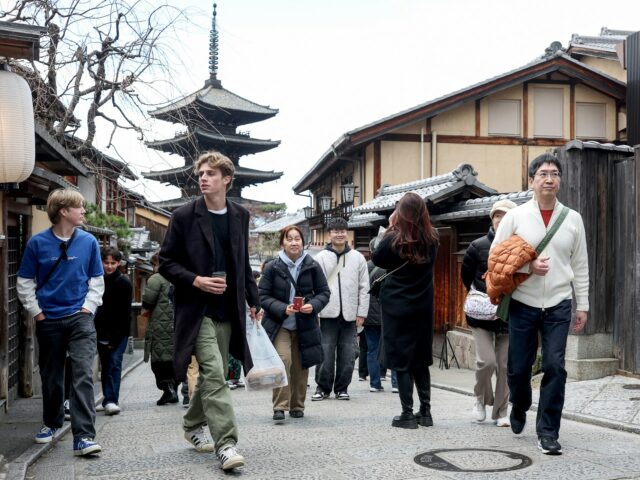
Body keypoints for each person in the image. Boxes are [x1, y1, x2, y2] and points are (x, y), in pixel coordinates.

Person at [159, 151, 262, 471]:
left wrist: (253, 300)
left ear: (227, 179)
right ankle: (227, 444)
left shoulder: (239, 215)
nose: (203, 178)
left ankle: (191, 425)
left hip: (228, 308)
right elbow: (165, 262)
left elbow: (242, 262)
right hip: (196, 309)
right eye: (201, 173)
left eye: (211, 173)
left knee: (211, 376)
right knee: (215, 374)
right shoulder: (184, 215)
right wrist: (196, 281)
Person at [491, 153, 589, 455]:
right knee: (519, 369)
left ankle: (548, 431)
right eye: (543, 173)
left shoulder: (572, 219)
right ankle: (519, 404)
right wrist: (527, 269)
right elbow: (495, 258)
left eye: (555, 173)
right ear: (531, 180)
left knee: (555, 367)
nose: (550, 178)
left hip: (559, 303)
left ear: (560, 181)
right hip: (523, 303)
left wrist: (582, 304)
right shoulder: (515, 217)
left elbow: (580, 264)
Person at [17, 188, 104, 456]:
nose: (84, 212)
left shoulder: (89, 242)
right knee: (51, 376)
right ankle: (51, 423)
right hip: (49, 319)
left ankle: (84, 437)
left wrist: (87, 309)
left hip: (80, 319)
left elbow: (96, 280)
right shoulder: (37, 243)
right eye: (79, 207)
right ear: (64, 211)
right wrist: (37, 313)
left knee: (82, 375)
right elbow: (24, 281)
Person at [372, 192, 439, 429]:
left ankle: (407, 414)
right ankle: (426, 413)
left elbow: (377, 258)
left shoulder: (393, 239)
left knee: (401, 360)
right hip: (422, 306)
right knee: (420, 359)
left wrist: (390, 228)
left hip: (397, 307)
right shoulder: (433, 239)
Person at [259, 225, 330, 422]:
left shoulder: (312, 265)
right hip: (280, 323)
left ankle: (297, 405)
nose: (293, 242)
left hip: (304, 324)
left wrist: (313, 306)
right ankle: (279, 406)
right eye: (289, 239)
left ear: (302, 242)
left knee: (301, 364)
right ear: (283, 242)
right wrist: (282, 307)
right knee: (283, 361)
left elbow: (324, 293)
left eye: (297, 238)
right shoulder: (273, 266)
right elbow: (262, 295)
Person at [461, 199, 517, 427]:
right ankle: (480, 399)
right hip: (481, 314)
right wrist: (484, 296)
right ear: (492, 219)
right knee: (487, 362)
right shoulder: (477, 246)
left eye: (505, 215)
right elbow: (466, 277)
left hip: (508, 313)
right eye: (497, 215)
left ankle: (501, 412)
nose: (500, 219)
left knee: (505, 366)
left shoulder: (520, 246)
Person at [312, 217, 369, 401]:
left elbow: (364, 287)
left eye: (343, 230)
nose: (339, 234)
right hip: (327, 313)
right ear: (329, 234)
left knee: (348, 354)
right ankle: (322, 387)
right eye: (335, 231)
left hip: (350, 314)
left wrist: (362, 312)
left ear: (347, 233)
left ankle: (342, 388)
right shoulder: (320, 258)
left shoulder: (358, 258)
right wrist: (316, 311)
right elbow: (313, 288)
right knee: (325, 354)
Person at [94, 246, 133, 416]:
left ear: (119, 263)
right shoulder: (97, 280)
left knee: (114, 365)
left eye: (113, 263)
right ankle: (106, 398)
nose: (109, 266)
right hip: (100, 330)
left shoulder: (124, 282)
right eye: (106, 262)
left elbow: (124, 314)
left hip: (119, 331)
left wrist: (114, 339)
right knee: (106, 365)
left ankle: (112, 400)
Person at [142, 253, 178, 406]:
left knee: (160, 361)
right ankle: (174, 389)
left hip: (160, 326)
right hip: (177, 324)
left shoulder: (156, 279)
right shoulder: (179, 276)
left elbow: (148, 301)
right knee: (174, 359)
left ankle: (168, 390)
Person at [365, 237, 386, 393]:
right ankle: (395, 384)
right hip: (387, 314)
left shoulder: (365, 267)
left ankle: (374, 383)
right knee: (391, 348)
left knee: (372, 349)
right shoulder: (390, 266)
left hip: (369, 314)